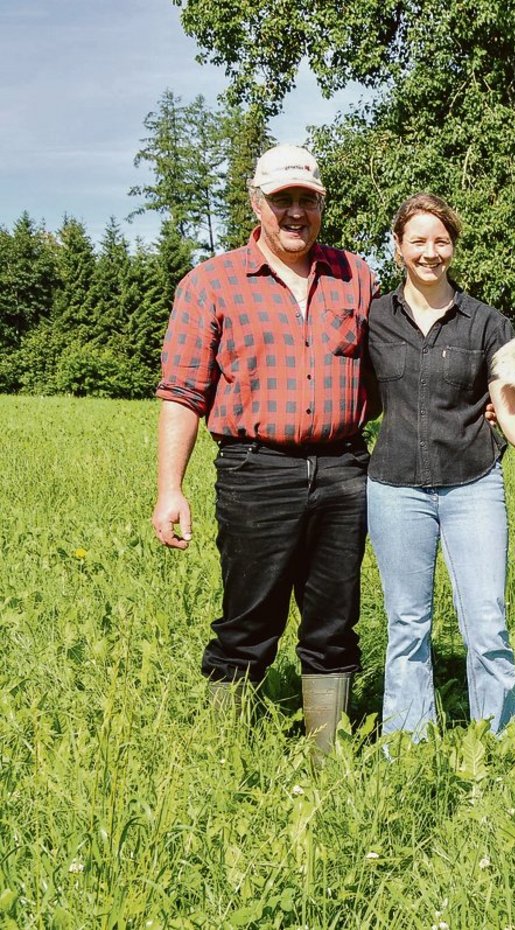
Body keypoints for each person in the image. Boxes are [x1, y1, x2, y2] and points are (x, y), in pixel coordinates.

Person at [151, 144, 377, 760]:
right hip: (256, 471)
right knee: (248, 622)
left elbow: (399, 367)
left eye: (307, 199)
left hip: (343, 470)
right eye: (283, 201)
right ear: (257, 204)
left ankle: (327, 753)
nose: (296, 213)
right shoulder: (210, 283)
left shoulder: (357, 276)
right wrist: (171, 489)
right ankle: (229, 755)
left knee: (334, 622)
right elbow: (182, 390)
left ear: (322, 203)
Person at [366, 193, 515, 742]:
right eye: (417, 241)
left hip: (473, 485)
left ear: (453, 247)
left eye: (440, 241)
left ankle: (499, 740)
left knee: (487, 623)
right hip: (394, 487)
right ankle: (407, 742)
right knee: (407, 626)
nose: (429, 252)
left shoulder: (488, 324)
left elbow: (508, 403)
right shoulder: (372, 318)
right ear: (398, 249)